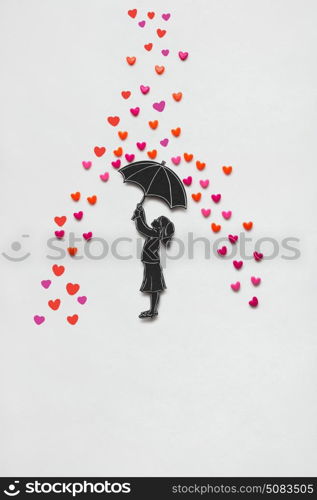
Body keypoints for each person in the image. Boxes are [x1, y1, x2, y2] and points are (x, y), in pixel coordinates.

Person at [132, 203, 175, 319]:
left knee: (154, 288)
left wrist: (138, 215)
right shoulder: (155, 233)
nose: (155, 219)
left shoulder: (155, 233)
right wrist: (140, 212)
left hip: (152, 264)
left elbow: (142, 228)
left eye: (157, 220)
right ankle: (152, 310)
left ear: (159, 226)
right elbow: (145, 227)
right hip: (151, 263)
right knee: (154, 288)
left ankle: (153, 311)